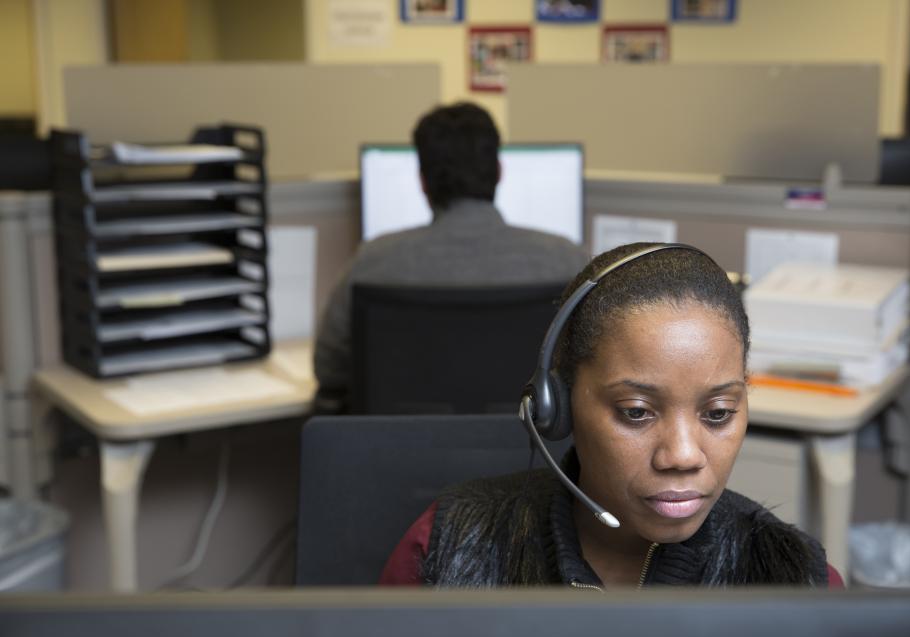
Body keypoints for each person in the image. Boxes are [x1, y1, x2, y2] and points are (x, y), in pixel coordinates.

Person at [380, 243, 843, 588]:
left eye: (718, 413)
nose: (682, 455)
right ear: (558, 405)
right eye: (637, 412)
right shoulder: (443, 548)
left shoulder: (796, 578)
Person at [313, 102, 589, 412]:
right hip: (532, 452)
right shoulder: (569, 262)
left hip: (404, 452)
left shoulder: (372, 263)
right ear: (499, 172)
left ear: (423, 182)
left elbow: (328, 370)